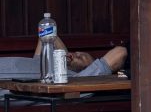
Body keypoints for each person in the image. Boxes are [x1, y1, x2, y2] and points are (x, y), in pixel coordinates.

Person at [0, 38, 128, 86]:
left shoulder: (80, 78)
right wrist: (63, 56)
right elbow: (47, 36)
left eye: (82, 58)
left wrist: (99, 68)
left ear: (88, 69)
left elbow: (120, 52)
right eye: (77, 53)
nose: (76, 55)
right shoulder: (46, 67)